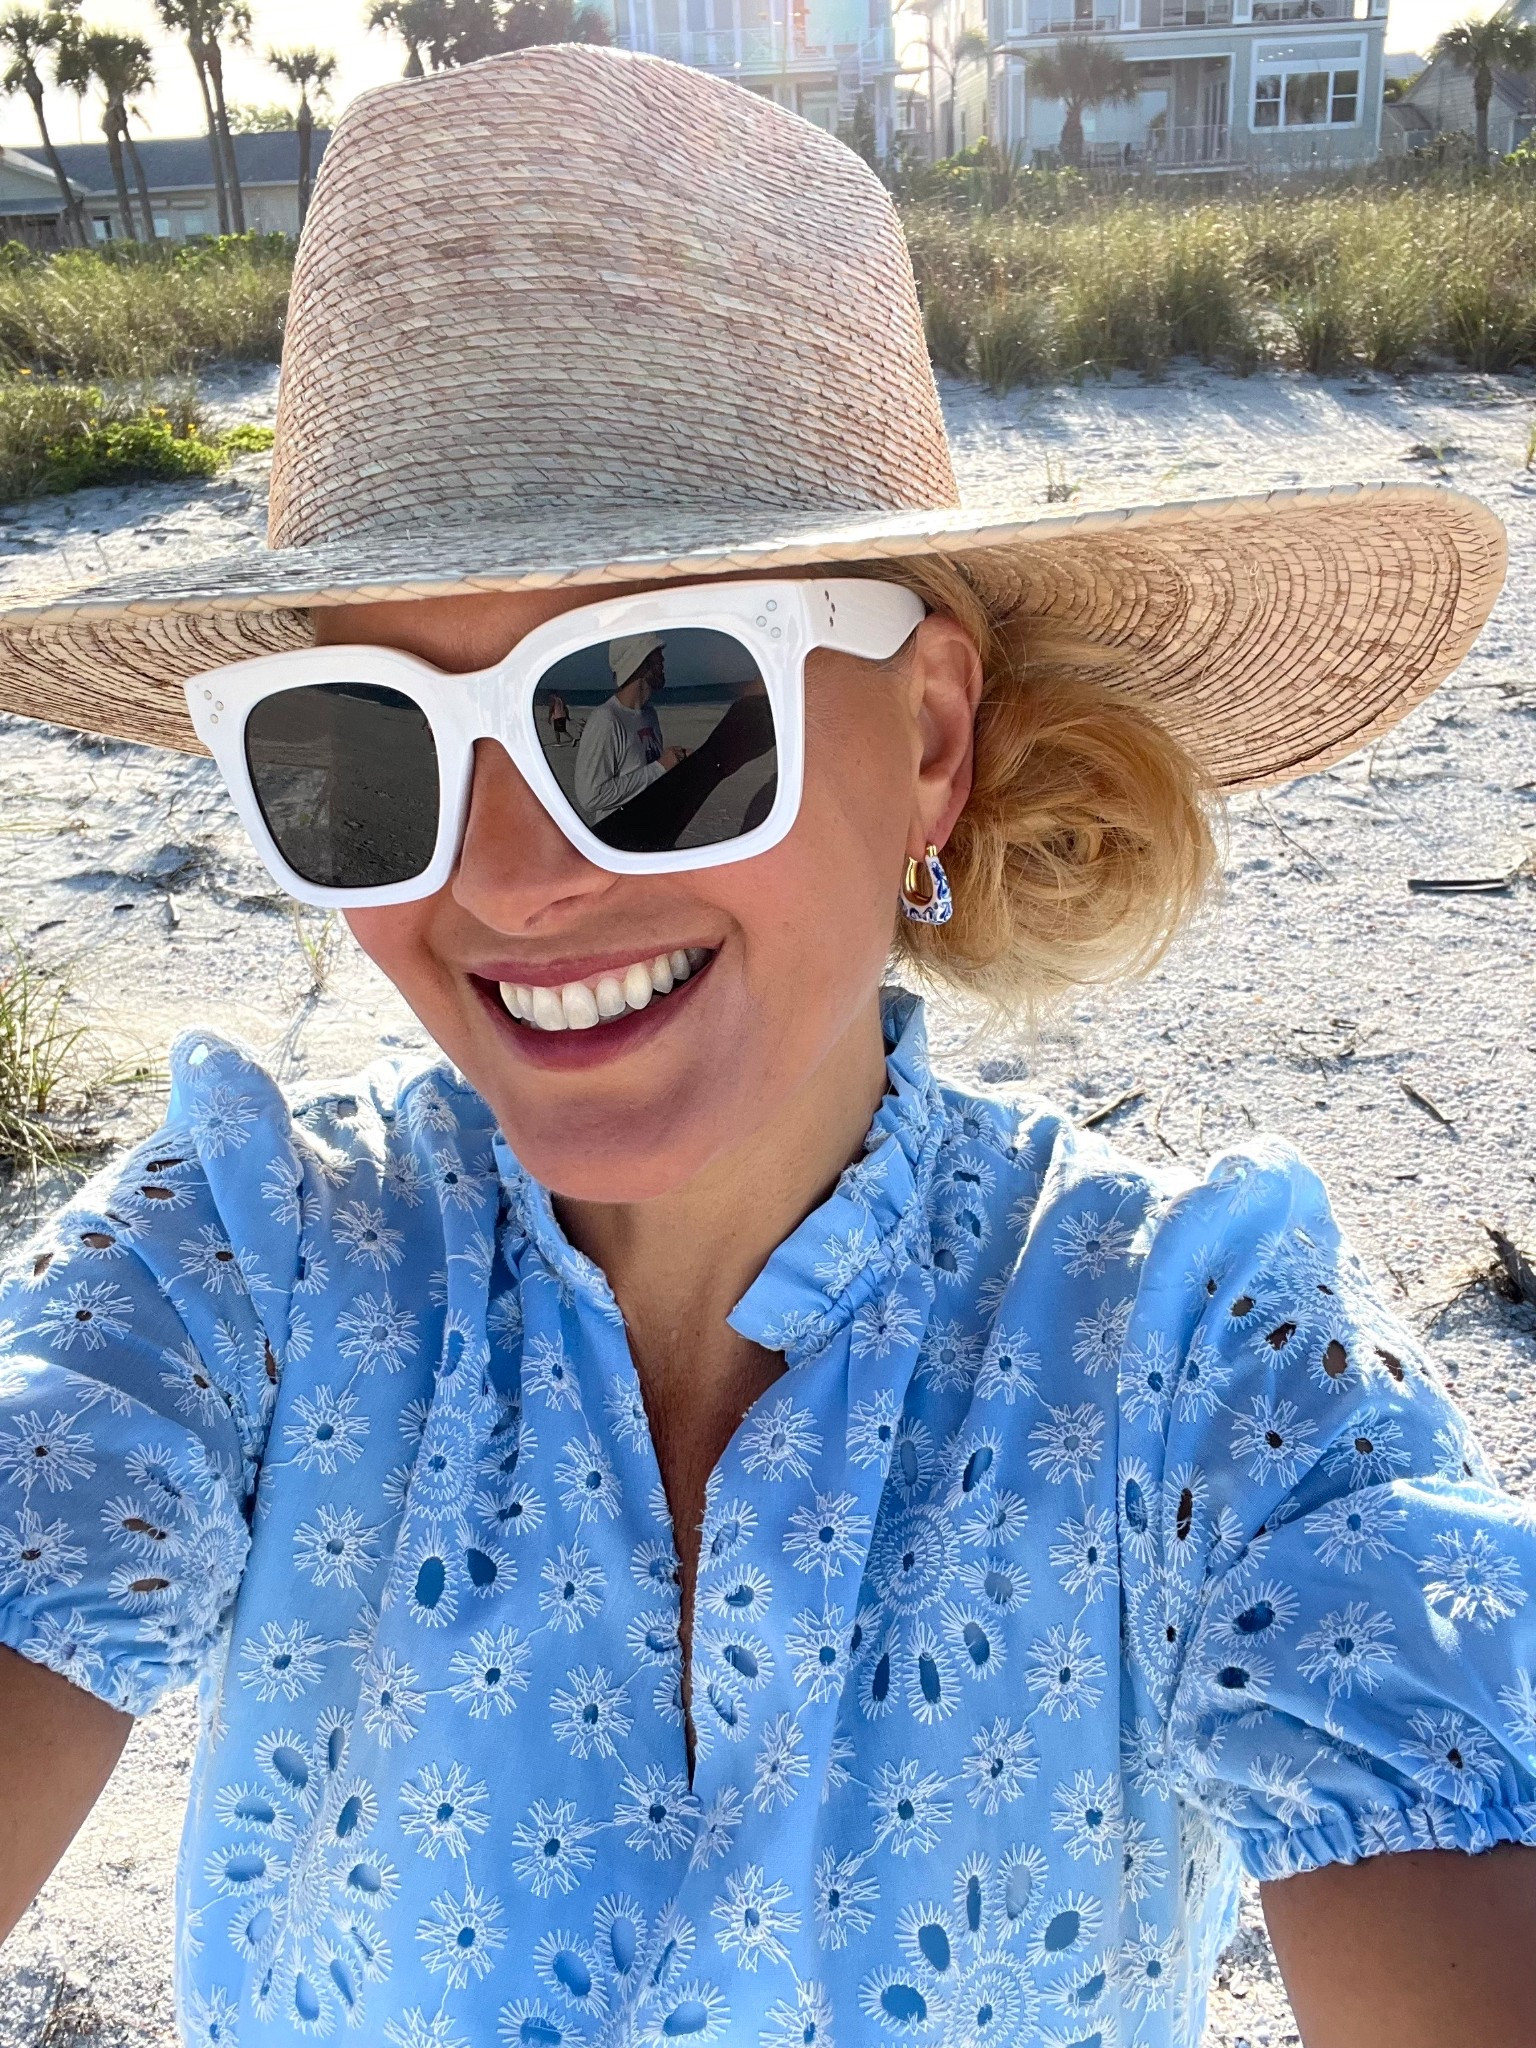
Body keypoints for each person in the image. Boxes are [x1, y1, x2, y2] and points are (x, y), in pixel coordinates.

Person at [0, 44, 1530, 2048]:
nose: (515, 878)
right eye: (370, 751)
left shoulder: (1200, 1367)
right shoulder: (245, 1265)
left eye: (647, 710)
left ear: (926, 740)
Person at [573, 634, 685, 823]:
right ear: (640, 663)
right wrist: (659, 768)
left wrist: (674, 762)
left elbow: (644, 773)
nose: (663, 659)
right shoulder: (606, 720)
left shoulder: (649, 714)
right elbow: (591, 797)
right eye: (657, 653)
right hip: (620, 839)